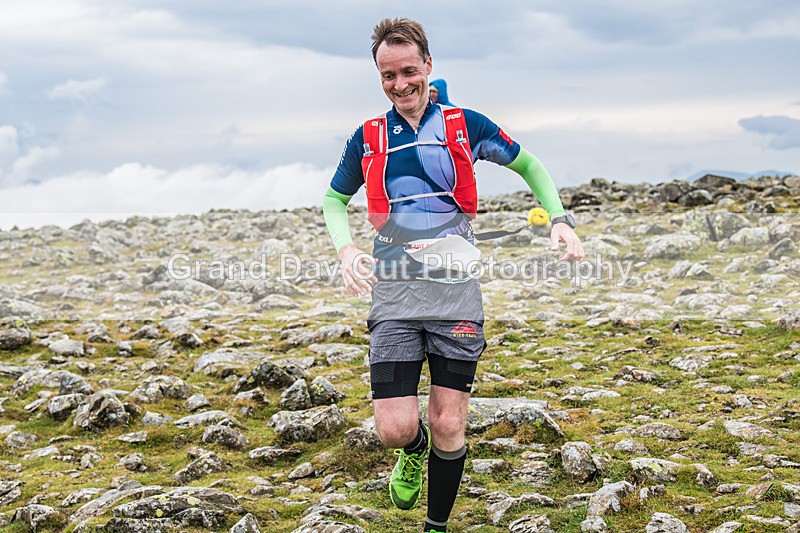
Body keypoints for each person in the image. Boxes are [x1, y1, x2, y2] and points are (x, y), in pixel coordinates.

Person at [322, 17, 584, 533]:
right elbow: (334, 198)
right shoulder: (368, 137)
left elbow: (529, 165)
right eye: (388, 76)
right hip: (394, 292)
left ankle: (435, 527)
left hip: (455, 293)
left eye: (409, 71)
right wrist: (346, 248)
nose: (400, 85)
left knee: (448, 422)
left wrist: (560, 220)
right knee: (395, 429)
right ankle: (412, 452)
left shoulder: (466, 125)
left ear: (429, 66)